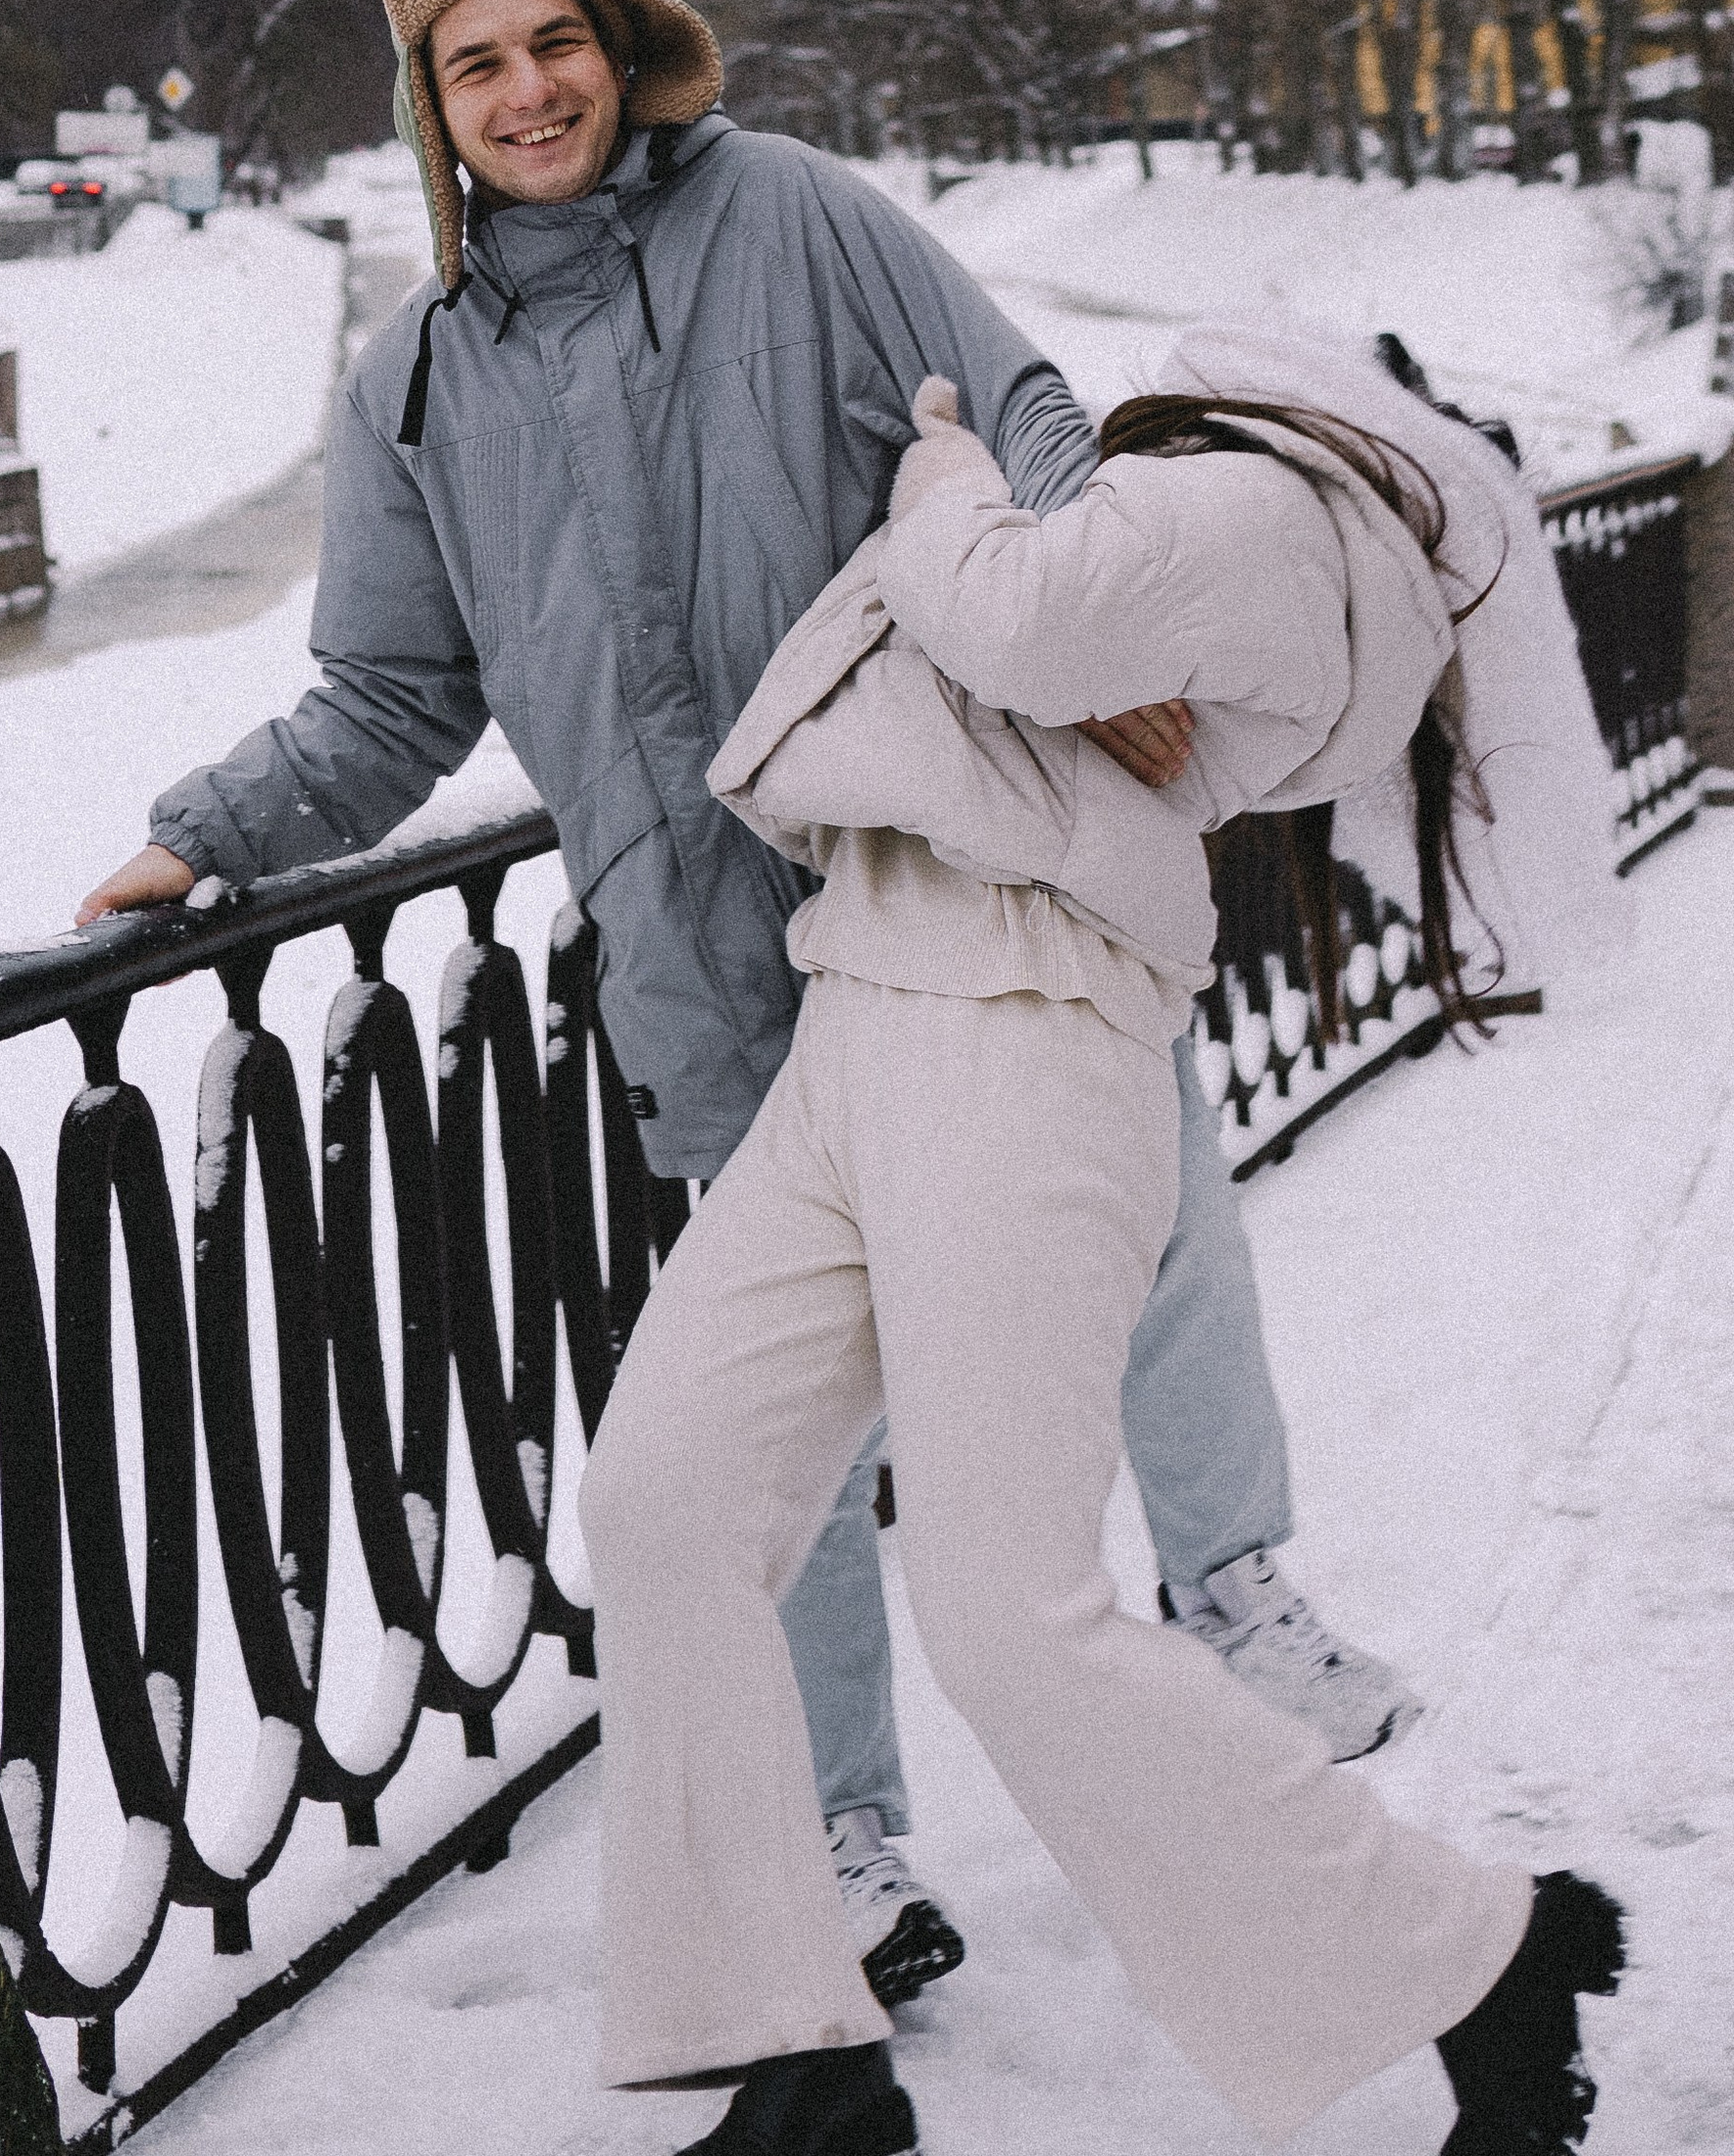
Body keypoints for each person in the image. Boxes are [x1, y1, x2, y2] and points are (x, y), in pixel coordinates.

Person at [78, 0, 1416, 1999]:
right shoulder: (411, 385)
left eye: (553, 43)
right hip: (705, 950)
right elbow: (390, 701)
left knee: (1144, 1213)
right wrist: (200, 839)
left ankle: (1234, 1593)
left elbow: (1022, 410)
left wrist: (1093, 622)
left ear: (613, 41)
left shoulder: (786, 213)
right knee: (782, 1424)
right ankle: (849, 1840)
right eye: (477, 63)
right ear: (429, 106)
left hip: (970, 866)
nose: (530, 92)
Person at [580, 365, 1625, 2156]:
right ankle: (795, 2049)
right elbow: (1031, 633)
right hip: (868, 1002)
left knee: (1012, 1614)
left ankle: (1477, 1956)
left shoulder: (1267, 521)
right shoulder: (1218, 539)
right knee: (666, 1500)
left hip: (1025, 1035)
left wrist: (945, 460)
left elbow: (1008, 607)